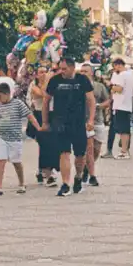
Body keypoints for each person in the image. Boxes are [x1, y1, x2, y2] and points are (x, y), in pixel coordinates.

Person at [43, 56, 95, 196]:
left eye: (64, 68)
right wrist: (45, 121)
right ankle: (65, 183)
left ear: (72, 68)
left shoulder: (82, 80)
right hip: (60, 121)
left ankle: (78, 177)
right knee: (64, 152)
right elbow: (46, 101)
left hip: (78, 122)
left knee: (80, 154)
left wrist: (90, 120)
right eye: (60, 68)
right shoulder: (55, 80)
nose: (62, 71)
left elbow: (91, 100)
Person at [0, 80, 39, 195]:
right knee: (0, 160)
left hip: (15, 139)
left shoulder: (18, 104)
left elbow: (29, 116)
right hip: (1, 137)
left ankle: (21, 184)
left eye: (0, 96)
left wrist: (38, 127)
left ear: (7, 94)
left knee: (16, 161)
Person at [28, 63, 58, 186]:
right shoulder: (33, 85)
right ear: (36, 74)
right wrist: (47, 80)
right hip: (39, 116)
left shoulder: (53, 84)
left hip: (51, 114)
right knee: (45, 144)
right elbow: (43, 95)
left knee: (50, 145)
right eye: (41, 72)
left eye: (45, 72)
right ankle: (47, 172)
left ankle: (44, 170)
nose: (44, 74)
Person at [80, 63, 106, 186]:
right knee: (89, 149)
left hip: (98, 120)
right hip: (85, 121)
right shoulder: (78, 86)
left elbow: (108, 100)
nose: (83, 73)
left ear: (91, 72)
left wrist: (100, 106)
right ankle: (92, 175)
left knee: (96, 150)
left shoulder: (99, 86)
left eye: (85, 71)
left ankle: (87, 168)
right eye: (82, 71)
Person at [109, 57, 133, 159]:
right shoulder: (131, 75)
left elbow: (119, 89)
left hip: (120, 104)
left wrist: (112, 88)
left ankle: (124, 151)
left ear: (119, 65)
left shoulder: (121, 75)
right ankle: (125, 150)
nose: (115, 69)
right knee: (126, 129)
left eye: (115, 66)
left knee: (122, 130)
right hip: (127, 104)